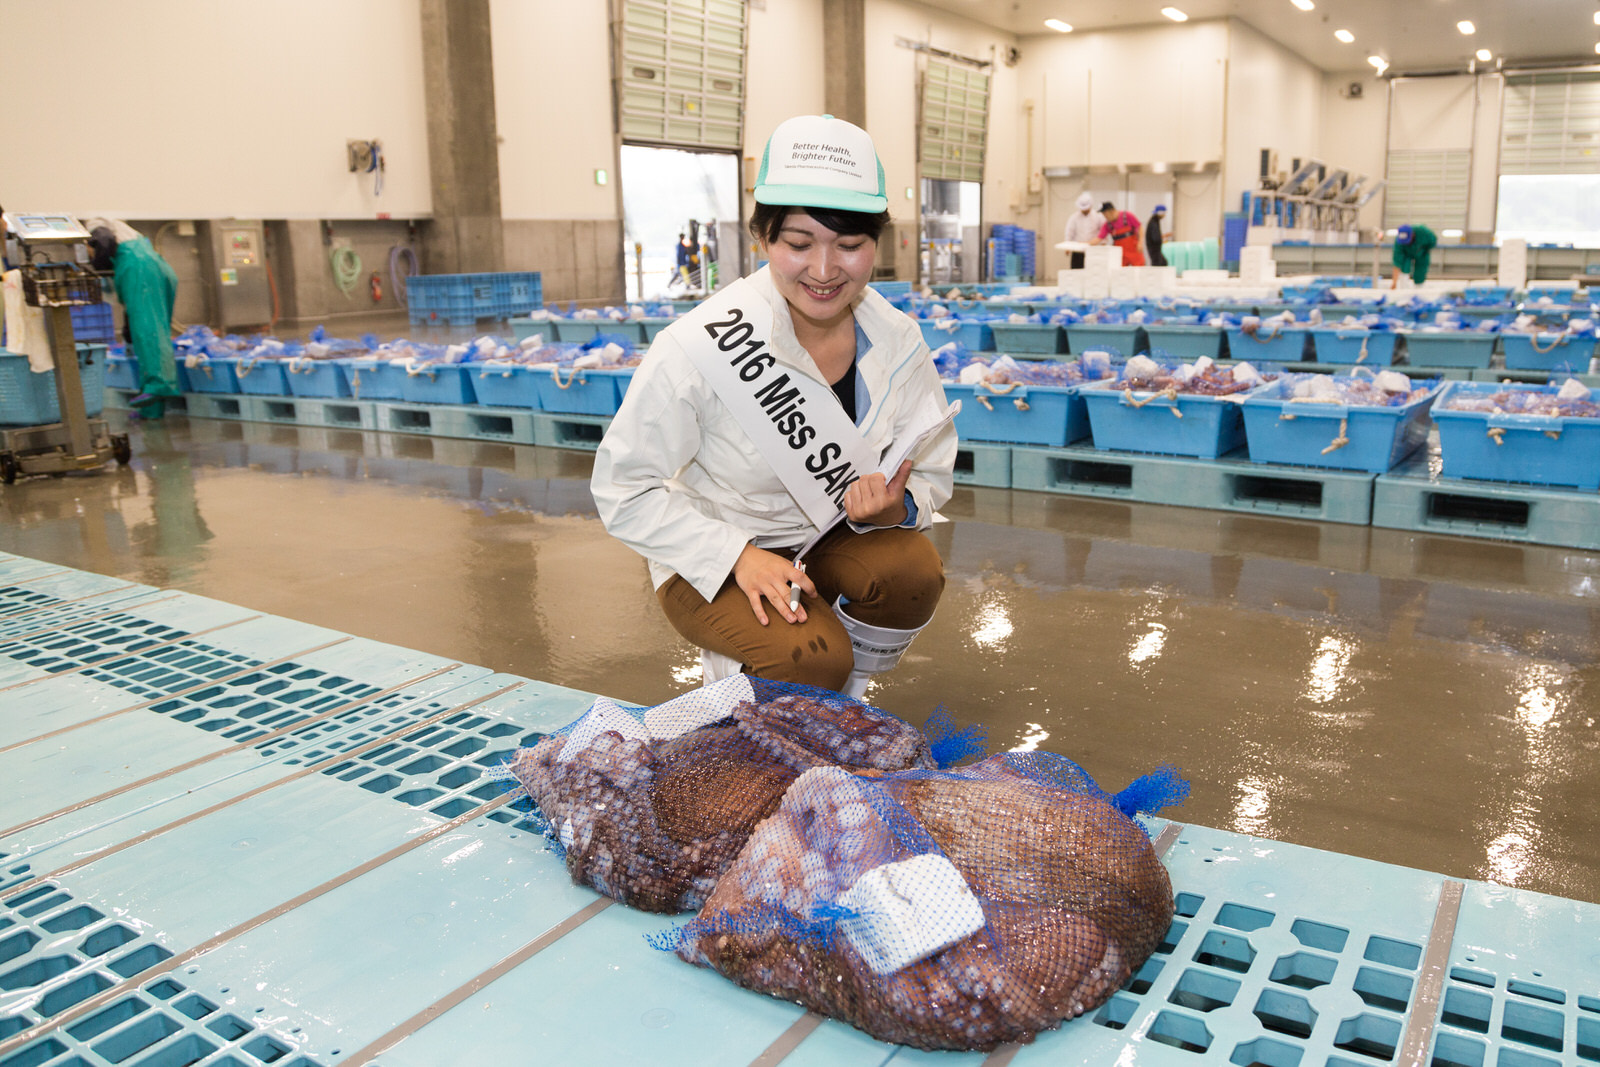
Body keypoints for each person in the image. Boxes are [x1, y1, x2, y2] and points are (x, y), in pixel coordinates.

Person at [591, 114, 957, 697]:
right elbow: (622, 488)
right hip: (718, 548)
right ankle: (775, 691)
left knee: (912, 574)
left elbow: (932, 468)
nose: (823, 270)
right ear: (763, 239)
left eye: (850, 246)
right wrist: (735, 555)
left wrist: (896, 511)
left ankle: (839, 703)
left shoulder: (897, 338)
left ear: (876, 246)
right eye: (798, 244)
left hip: (835, 533)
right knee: (808, 657)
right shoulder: (702, 344)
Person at [87, 218, 181, 417]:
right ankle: (151, 409)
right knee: (148, 333)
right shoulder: (124, 237)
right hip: (155, 266)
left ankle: (158, 386)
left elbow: (103, 241)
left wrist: (97, 265)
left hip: (140, 269)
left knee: (149, 333)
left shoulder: (92, 221)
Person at [1091, 201, 1145, 266]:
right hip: (1120, 253)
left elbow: (1140, 227)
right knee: (1120, 273)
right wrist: (1084, 244)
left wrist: (1140, 242)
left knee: (1139, 270)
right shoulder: (1107, 225)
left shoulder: (1127, 216)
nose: (1105, 217)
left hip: (1134, 250)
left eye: (1105, 214)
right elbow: (1098, 239)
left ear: (1111, 211)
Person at [1062, 192, 1100, 270]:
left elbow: (1102, 232)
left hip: (1093, 250)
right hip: (1077, 250)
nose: (1085, 210)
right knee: (1077, 272)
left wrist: (1103, 243)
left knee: (1093, 272)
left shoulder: (1097, 216)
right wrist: (1067, 245)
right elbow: (1069, 232)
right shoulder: (1074, 217)